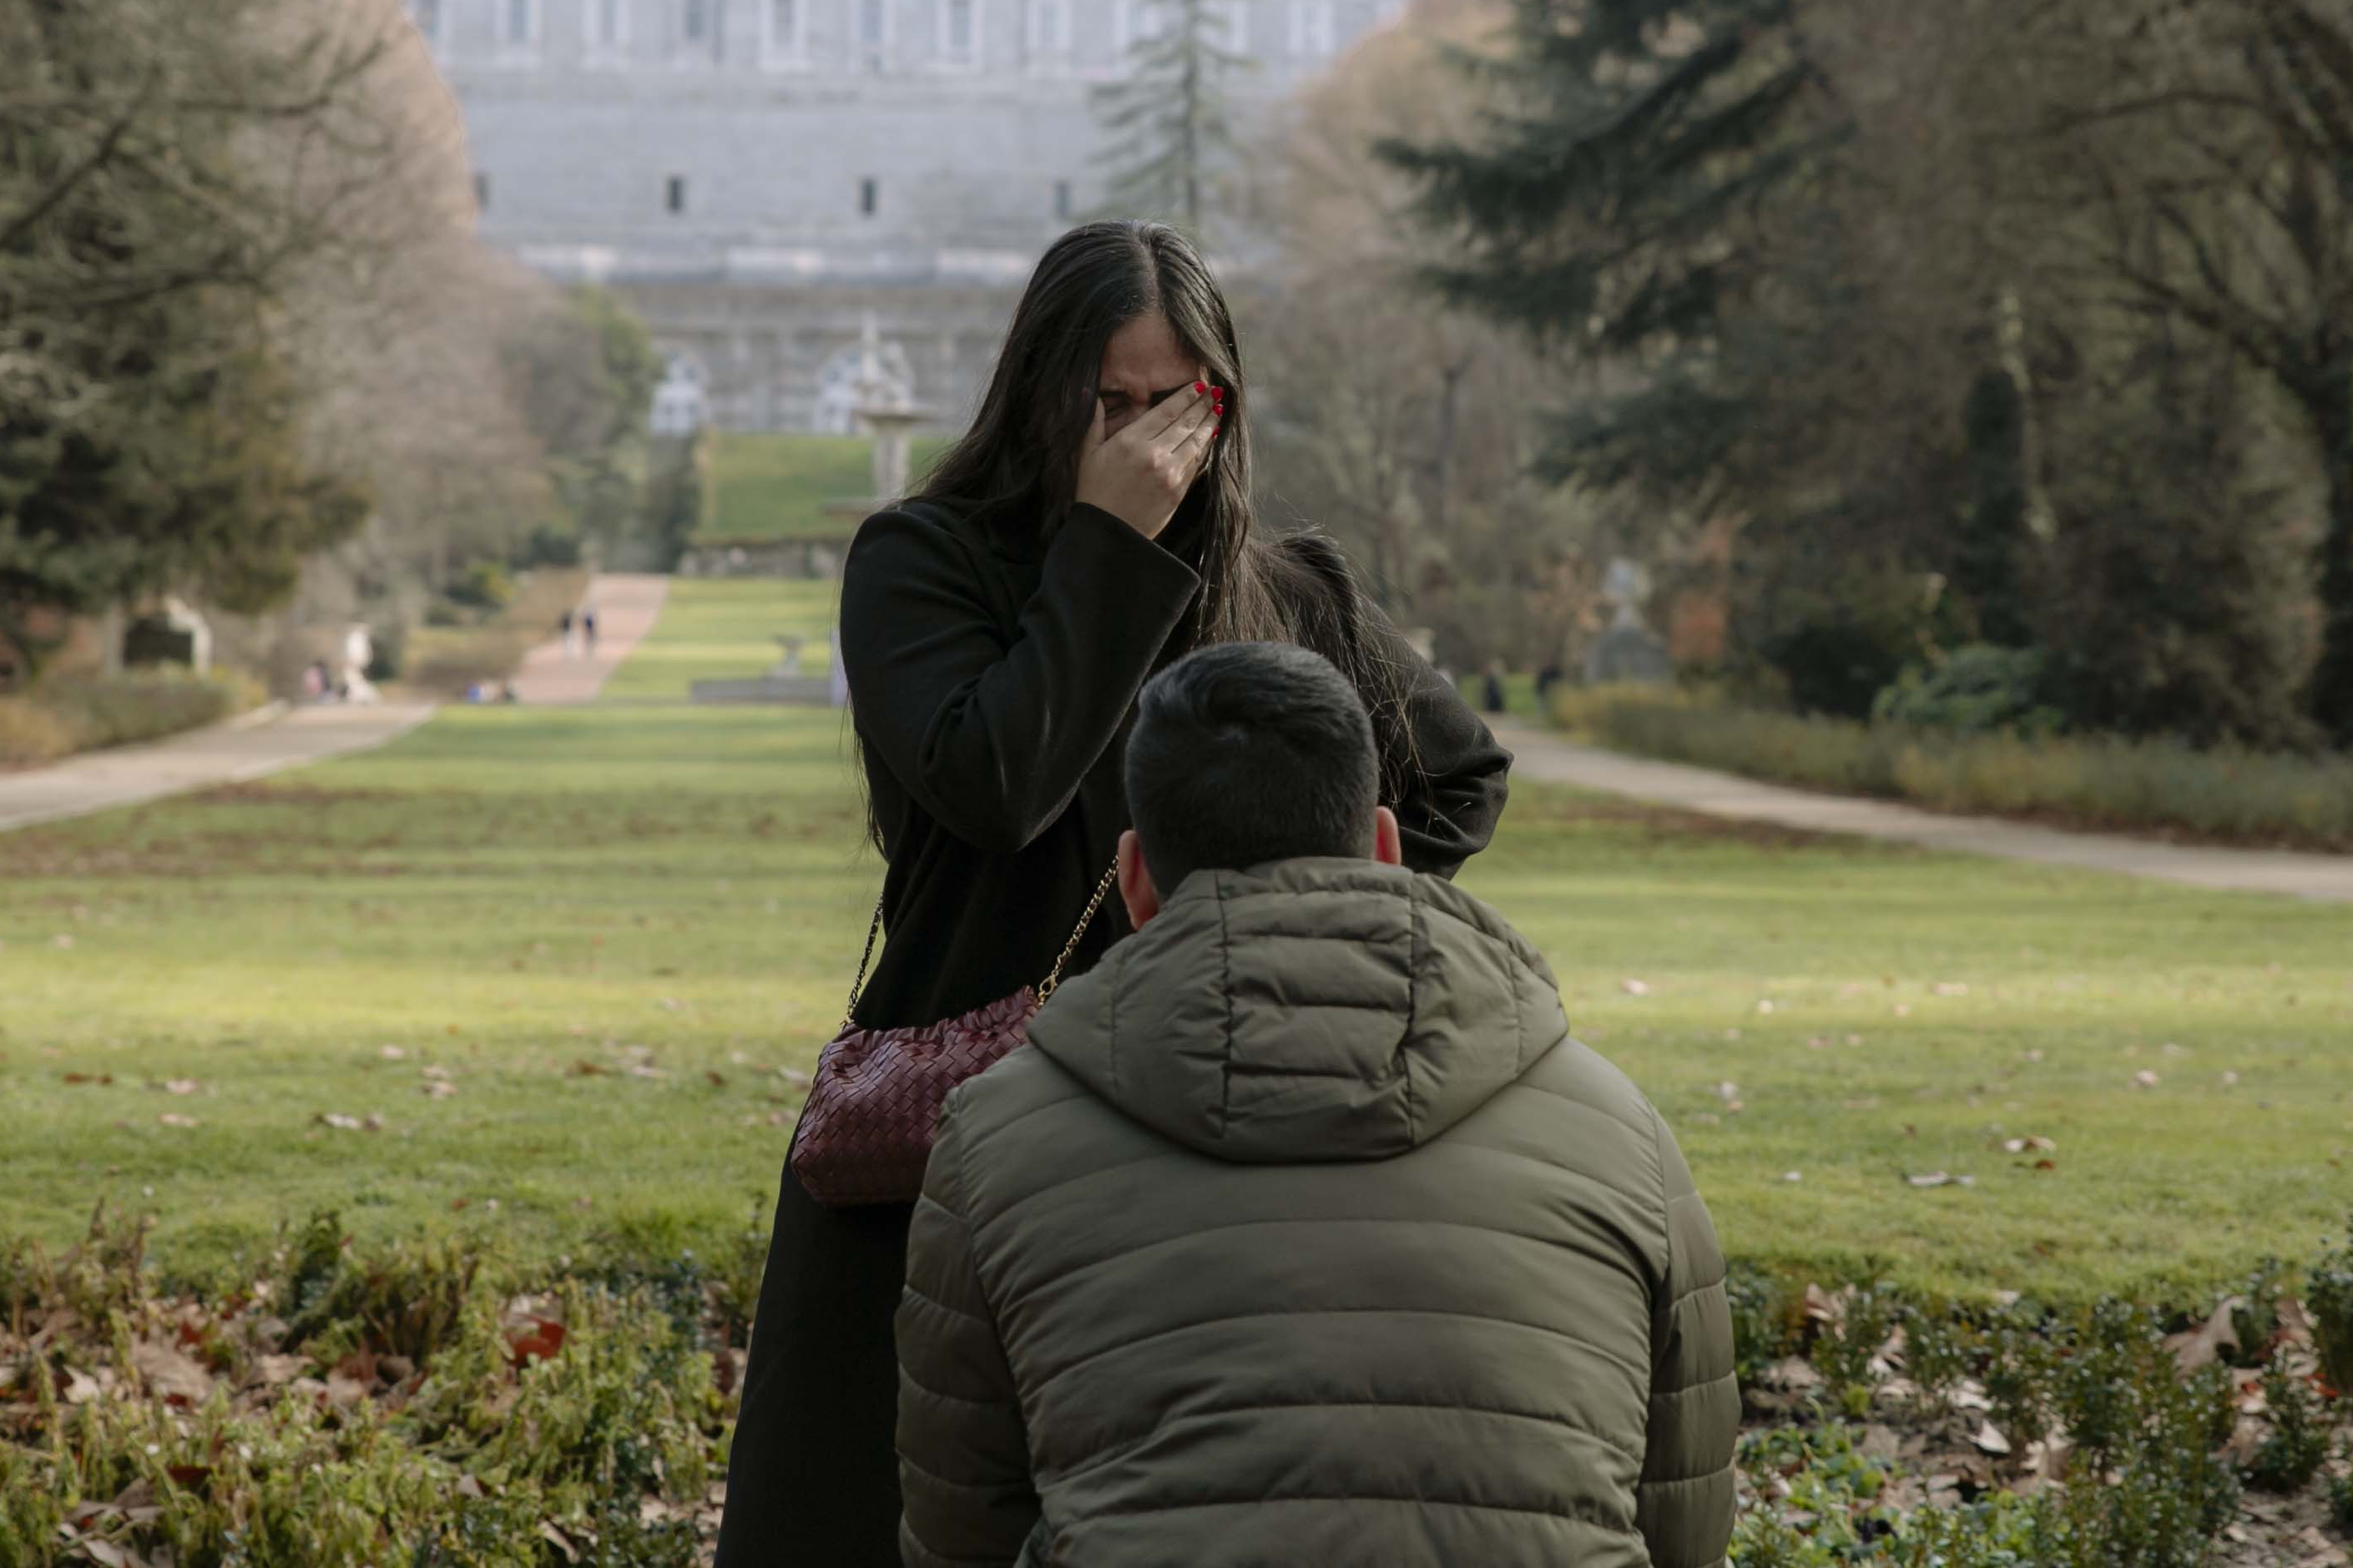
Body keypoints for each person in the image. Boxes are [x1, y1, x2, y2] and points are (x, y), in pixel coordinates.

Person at [714, 221, 1512, 1568]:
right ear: (1043, 392)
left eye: (1177, 402)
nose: (1147, 440)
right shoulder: (922, 562)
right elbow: (992, 784)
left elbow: (1456, 779)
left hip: (1198, 1147)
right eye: (1111, 402)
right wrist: (1107, 545)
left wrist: (1291, 947)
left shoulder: (1289, 590)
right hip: (948, 1138)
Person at [896, 641, 1737, 1567]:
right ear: (1385, 847)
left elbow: (961, 1526)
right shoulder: (1620, 1132)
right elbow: (1683, 1521)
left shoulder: (994, 1142)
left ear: (1136, 882)